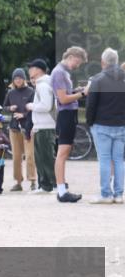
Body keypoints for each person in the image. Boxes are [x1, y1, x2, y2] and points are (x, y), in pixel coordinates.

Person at [85, 48, 125, 204]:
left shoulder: (98, 80)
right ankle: (119, 194)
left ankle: (106, 194)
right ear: (116, 61)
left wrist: (90, 122)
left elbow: (91, 105)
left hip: (101, 125)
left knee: (105, 160)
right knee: (119, 160)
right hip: (121, 125)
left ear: (103, 62)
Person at [52, 46, 87, 203]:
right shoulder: (59, 72)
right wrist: (83, 93)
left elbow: (66, 94)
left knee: (64, 153)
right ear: (72, 56)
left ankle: (62, 189)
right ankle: (61, 191)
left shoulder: (63, 72)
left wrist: (76, 90)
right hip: (66, 115)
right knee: (62, 153)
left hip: (69, 115)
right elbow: (63, 99)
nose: (78, 65)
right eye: (78, 62)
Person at [25, 59, 58, 195]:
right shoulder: (42, 84)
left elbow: (46, 106)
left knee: (47, 157)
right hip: (41, 126)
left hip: (46, 126)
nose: (29, 71)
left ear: (38, 70)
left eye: (31, 68)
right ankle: (45, 185)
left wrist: (31, 106)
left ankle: (54, 184)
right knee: (41, 157)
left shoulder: (43, 85)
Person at [3, 68, 36, 191]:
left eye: (20, 78)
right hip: (14, 128)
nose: (18, 80)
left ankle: (33, 180)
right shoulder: (11, 93)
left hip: (28, 127)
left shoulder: (31, 91)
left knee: (30, 155)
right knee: (16, 157)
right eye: (15, 78)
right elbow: (4, 106)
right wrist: (10, 108)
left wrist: (24, 115)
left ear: (24, 79)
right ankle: (18, 182)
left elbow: (35, 108)